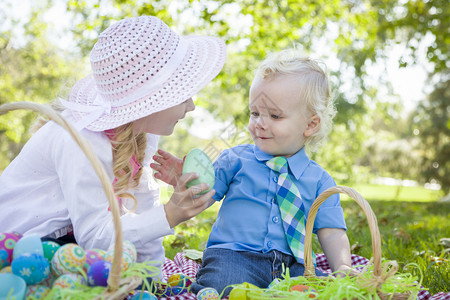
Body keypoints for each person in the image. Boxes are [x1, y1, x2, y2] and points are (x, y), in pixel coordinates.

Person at [0, 15, 226, 276]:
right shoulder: (82, 140)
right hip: (23, 248)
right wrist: (170, 215)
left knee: (123, 268)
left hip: (66, 241)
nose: (192, 106)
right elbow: (94, 237)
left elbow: (142, 207)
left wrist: (153, 277)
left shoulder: (142, 131)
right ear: (151, 101)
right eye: (181, 95)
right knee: (93, 271)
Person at [151, 49, 353, 295]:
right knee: (223, 285)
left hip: (294, 266)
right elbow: (201, 195)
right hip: (234, 256)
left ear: (310, 124)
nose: (260, 123)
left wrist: (342, 267)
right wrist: (185, 181)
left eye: (275, 116)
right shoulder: (234, 159)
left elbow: (331, 232)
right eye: (255, 113)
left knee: (326, 290)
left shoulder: (321, 181)